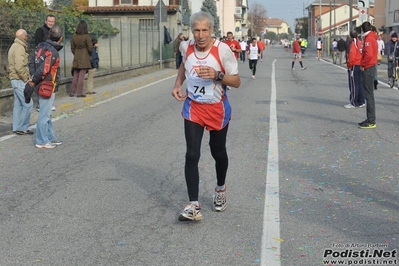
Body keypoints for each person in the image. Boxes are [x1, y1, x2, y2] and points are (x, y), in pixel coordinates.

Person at [171, 11, 240, 221]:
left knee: (217, 151)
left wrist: (217, 75)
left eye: (204, 30)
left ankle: (220, 189)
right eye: (196, 30)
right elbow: (184, 65)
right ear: (192, 31)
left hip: (217, 108)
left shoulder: (223, 50)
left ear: (211, 31)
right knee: (192, 154)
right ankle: (194, 205)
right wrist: (177, 84)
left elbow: (236, 81)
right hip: (194, 107)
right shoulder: (186, 47)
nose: (200, 35)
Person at [29, 26, 64, 148]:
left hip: (40, 84)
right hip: (47, 85)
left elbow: (31, 62)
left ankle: (50, 137)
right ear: (60, 38)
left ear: (49, 35)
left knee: (47, 114)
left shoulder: (40, 47)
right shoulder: (52, 51)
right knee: (44, 115)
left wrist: (33, 77)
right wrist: (34, 79)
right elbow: (45, 69)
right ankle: (41, 141)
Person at [8, 29, 33, 135]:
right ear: (23, 37)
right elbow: (19, 67)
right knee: (28, 103)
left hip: (15, 79)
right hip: (19, 79)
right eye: (26, 36)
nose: (27, 38)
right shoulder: (19, 48)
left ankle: (16, 127)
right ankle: (22, 127)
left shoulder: (14, 46)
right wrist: (26, 78)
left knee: (18, 104)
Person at [34, 14, 56, 112]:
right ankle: (40, 104)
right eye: (49, 21)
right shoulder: (40, 31)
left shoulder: (53, 32)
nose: (51, 23)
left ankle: (48, 102)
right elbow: (38, 46)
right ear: (45, 21)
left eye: (52, 21)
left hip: (52, 59)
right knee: (41, 81)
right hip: (42, 59)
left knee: (50, 81)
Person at [358, 21, 378, 129]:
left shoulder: (368, 39)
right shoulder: (371, 37)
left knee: (369, 95)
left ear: (362, 29)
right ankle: (370, 118)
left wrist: (363, 65)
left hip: (368, 68)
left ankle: (371, 120)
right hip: (370, 67)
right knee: (368, 94)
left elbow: (369, 54)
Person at [70, 20, 93, 98]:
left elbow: (72, 48)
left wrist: (76, 53)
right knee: (81, 76)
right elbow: (90, 48)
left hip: (76, 57)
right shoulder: (87, 36)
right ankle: (79, 93)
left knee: (75, 75)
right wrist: (89, 55)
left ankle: (72, 92)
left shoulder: (74, 36)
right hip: (84, 57)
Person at [345, 30, 365, 109]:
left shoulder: (354, 44)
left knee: (353, 84)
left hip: (354, 65)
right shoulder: (360, 42)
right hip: (360, 64)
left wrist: (349, 65)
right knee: (360, 84)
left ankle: (353, 102)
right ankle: (361, 101)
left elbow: (352, 56)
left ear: (350, 36)